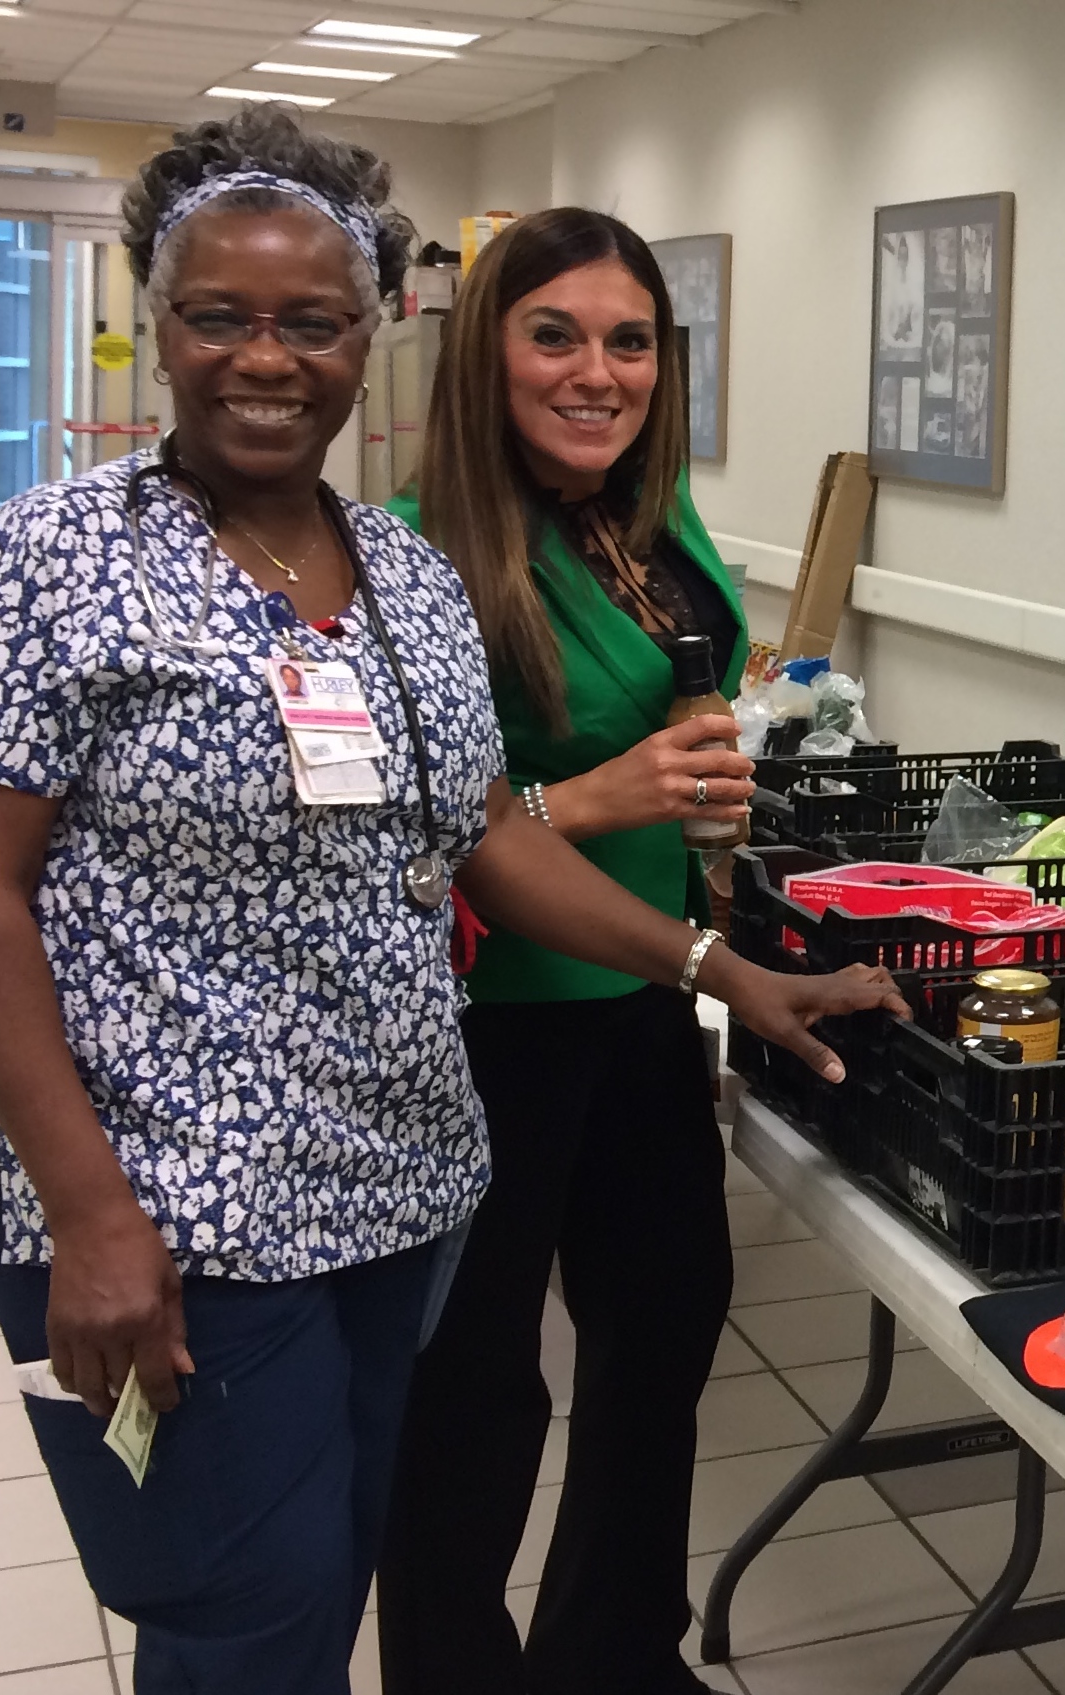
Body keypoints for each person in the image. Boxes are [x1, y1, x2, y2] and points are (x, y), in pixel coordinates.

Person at [0, 106, 902, 1693]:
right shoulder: (51, 561)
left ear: (367, 341)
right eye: (219, 315)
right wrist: (88, 1210)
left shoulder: (397, 579)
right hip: (181, 1200)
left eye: (312, 322)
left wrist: (720, 968)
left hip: (402, 1180)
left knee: (338, 1565)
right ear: (157, 322)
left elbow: (482, 836)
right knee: (245, 1616)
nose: (266, 358)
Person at [372, 208, 755, 1695]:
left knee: (661, 1337)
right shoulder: (414, 555)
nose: (596, 372)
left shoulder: (659, 522)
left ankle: (613, 1657)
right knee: (472, 1395)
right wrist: (590, 797)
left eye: (630, 341)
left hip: (647, 998)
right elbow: (416, 832)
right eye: (555, 334)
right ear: (486, 351)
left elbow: (687, 704)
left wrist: (719, 787)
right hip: (486, 1025)